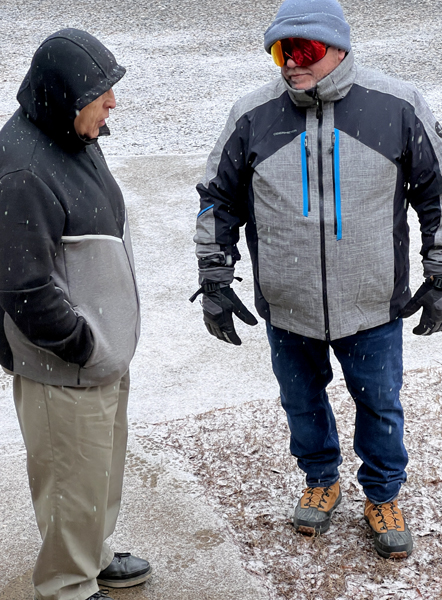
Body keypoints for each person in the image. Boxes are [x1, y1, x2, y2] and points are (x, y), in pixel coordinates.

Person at [191, 0, 442, 560]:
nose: (290, 64)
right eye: (281, 50)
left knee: (380, 403)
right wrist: (214, 277)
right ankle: (321, 477)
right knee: (301, 401)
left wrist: (439, 268)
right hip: (288, 302)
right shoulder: (252, 114)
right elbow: (217, 200)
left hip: (372, 302)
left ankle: (382, 493)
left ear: (339, 49)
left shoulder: (397, 106)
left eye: (303, 50)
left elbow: (437, 195)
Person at [0, 30, 151, 600]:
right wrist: (84, 343)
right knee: (69, 484)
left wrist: (108, 342)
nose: (112, 105)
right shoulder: (24, 171)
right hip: (66, 368)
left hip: (100, 357)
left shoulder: (74, 133)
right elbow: (25, 288)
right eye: (101, 93)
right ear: (63, 96)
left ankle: (93, 555)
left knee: (96, 478)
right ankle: (67, 586)